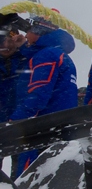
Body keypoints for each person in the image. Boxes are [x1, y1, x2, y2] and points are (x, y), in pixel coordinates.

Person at [9, 15, 79, 177]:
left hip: (42, 130)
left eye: (28, 31)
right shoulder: (58, 53)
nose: (25, 35)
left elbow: (38, 97)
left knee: (28, 181)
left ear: (39, 31)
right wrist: (23, 48)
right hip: (61, 129)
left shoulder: (46, 56)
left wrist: (14, 122)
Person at [0, 13, 30, 123]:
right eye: (1, 42)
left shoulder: (30, 57)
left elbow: (65, 43)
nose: (6, 46)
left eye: (10, 41)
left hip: (29, 122)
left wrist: (28, 27)